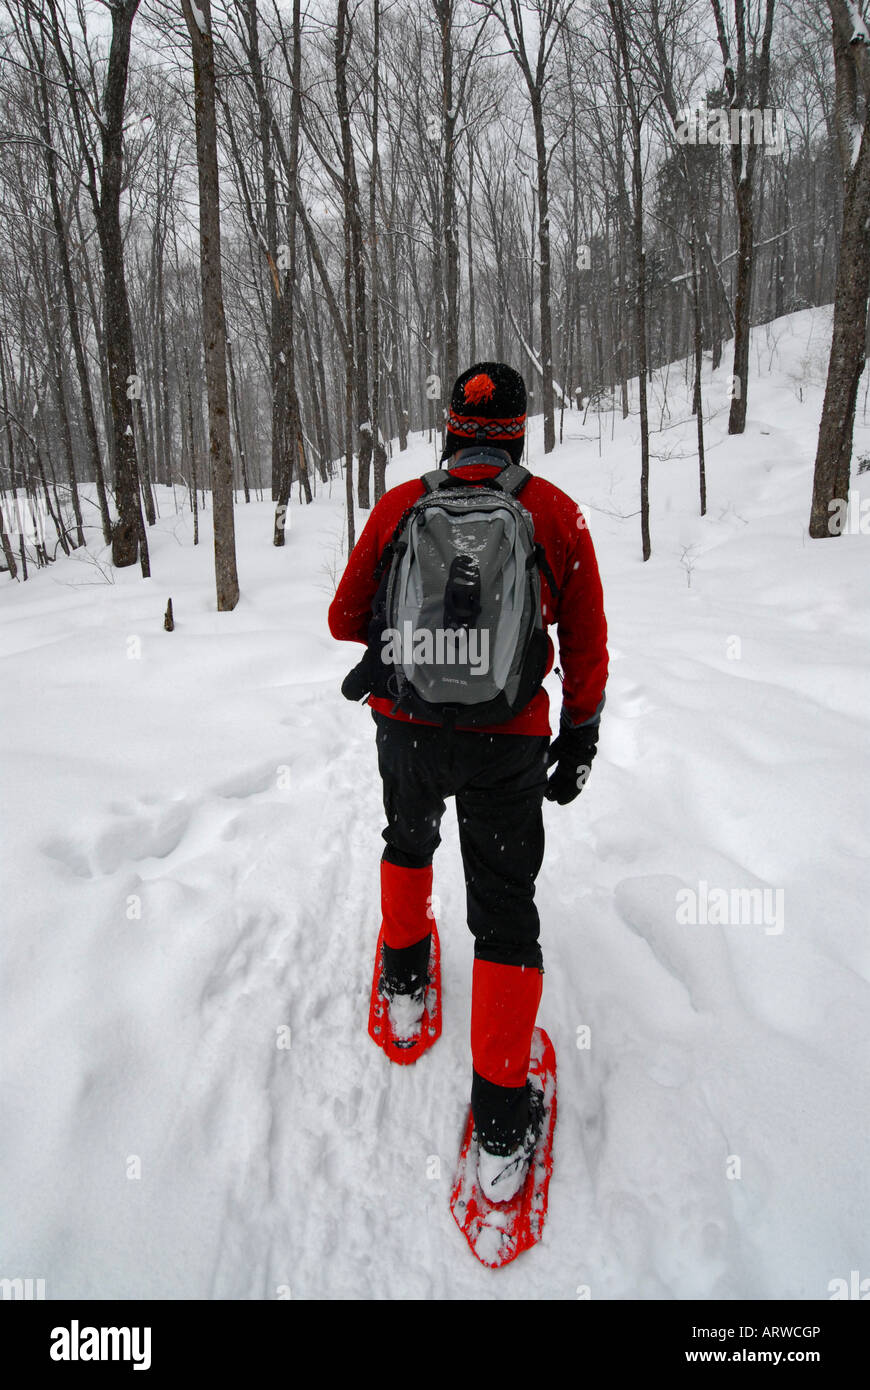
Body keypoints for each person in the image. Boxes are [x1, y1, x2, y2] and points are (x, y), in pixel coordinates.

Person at [328, 362, 608, 1202]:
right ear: (519, 431)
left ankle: (406, 990)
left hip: (408, 726)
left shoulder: (401, 504)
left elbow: (343, 617)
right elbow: (589, 641)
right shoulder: (555, 512)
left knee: (407, 840)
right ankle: (497, 1134)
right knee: (503, 913)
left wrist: (406, 632)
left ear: (450, 427)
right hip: (508, 744)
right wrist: (579, 733)